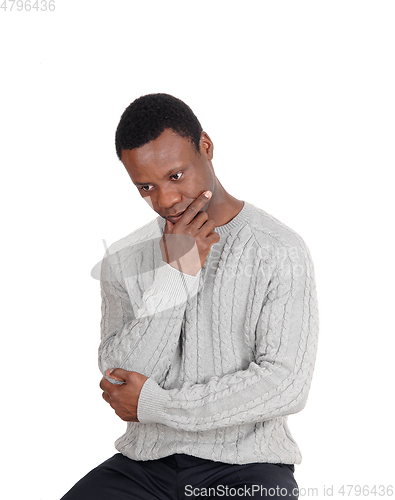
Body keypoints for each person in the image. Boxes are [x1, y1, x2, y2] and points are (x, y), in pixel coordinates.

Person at [61, 93, 319, 499]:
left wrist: (158, 407)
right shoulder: (122, 260)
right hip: (144, 466)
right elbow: (119, 377)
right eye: (146, 186)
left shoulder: (279, 249)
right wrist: (177, 275)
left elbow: (285, 384)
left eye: (176, 176)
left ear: (206, 147)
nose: (164, 200)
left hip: (247, 467)